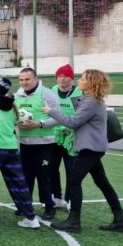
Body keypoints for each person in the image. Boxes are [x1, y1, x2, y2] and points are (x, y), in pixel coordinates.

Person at [42, 69, 123, 234]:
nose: (79, 81)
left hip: (91, 148)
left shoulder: (91, 101)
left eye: (82, 79)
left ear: (91, 83)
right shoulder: (90, 99)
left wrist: (51, 111)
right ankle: (121, 220)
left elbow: (72, 122)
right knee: (102, 182)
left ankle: (74, 221)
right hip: (93, 147)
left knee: (74, 181)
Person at [0, 77, 41, 229]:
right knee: (19, 184)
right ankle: (31, 217)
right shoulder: (13, 104)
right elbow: (15, 122)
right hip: (11, 149)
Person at [15, 67, 60, 221]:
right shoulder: (18, 94)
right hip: (25, 143)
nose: (24, 82)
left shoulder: (46, 93)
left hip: (45, 143)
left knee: (44, 176)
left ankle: (49, 206)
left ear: (35, 78)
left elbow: (57, 117)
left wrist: (39, 124)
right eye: (21, 80)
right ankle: (26, 206)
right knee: (26, 176)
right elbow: (14, 115)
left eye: (27, 79)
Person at [49, 64, 83, 210]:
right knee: (51, 168)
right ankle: (56, 197)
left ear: (72, 79)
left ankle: (69, 199)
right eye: (59, 76)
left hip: (72, 137)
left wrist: (72, 129)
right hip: (55, 136)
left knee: (72, 169)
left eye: (65, 76)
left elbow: (82, 116)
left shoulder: (80, 93)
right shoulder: (52, 91)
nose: (62, 79)